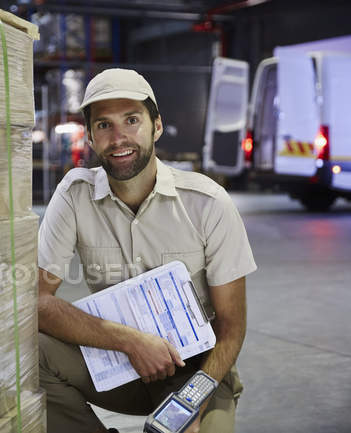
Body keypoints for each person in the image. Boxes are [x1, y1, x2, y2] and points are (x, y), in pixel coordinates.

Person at [37, 68, 257, 433]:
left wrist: (190, 403)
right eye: (104, 125)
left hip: (198, 368)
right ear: (90, 137)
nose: (119, 137)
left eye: (132, 120)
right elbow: (39, 301)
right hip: (118, 362)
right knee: (26, 354)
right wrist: (129, 341)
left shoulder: (207, 203)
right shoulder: (75, 196)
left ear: (156, 126)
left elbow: (232, 328)